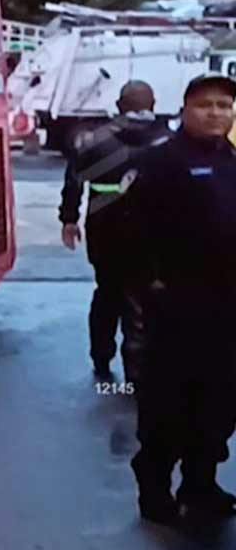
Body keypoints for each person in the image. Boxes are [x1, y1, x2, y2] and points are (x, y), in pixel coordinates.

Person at [123, 72, 236, 524]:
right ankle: (154, 490)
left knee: (219, 406)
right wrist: (150, 289)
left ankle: (201, 484)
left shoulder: (231, 161)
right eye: (206, 105)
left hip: (226, 312)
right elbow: (128, 235)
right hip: (177, 311)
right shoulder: (161, 163)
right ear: (185, 110)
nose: (216, 113)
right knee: (169, 407)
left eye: (224, 106)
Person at [58, 80, 170, 383]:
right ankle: (137, 370)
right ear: (153, 104)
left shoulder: (95, 139)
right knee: (143, 298)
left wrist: (69, 219)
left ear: (120, 106)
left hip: (104, 227)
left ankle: (101, 359)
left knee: (106, 293)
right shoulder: (167, 140)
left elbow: (74, 180)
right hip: (151, 233)